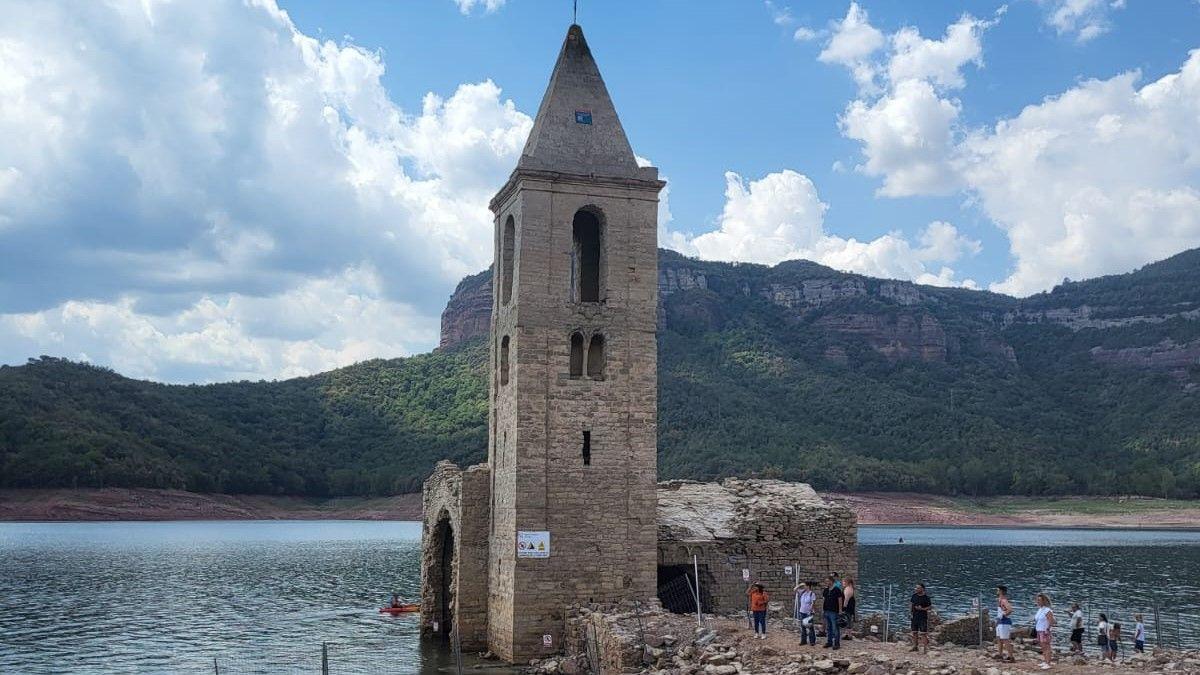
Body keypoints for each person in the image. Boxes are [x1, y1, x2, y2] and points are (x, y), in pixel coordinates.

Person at [1034, 593, 1056, 670]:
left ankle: (1048, 663)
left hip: (1044, 631)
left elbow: (1052, 621)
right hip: (1039, 630)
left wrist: (1048, 629)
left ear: (1044, 601)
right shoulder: (1040, 609)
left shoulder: (1047, 610)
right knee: (1043, 646)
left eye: (1039, 600)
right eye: (1037, 600)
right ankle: (1045, 661)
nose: (1037, 601)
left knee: (1047, 647)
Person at [822, 575, 844, 650]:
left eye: (828, 581)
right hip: (827, 610)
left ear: (831, 581)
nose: (827, 583)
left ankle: (837, 643)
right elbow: (824, 599)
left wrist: (840, 610)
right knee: (829, 628)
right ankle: (829, 642)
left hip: (834, 611)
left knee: (835, 628)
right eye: (826, 581)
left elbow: (840, 600)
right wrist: (823, 609)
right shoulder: (825, 590)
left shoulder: (837, 590)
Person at [910, 583, 932, 654]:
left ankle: (924, 649)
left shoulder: (926, 598)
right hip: (914, 616)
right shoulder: (914, 596)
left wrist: (922, 609)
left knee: (923, 633)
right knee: (914, 632)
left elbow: (930, 607)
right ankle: (915, 646)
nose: (916, 589)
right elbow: (911, 604)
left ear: (922, 589)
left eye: (918, 588)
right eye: (916, 588)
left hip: (922, 617)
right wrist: (910, 613)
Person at [794, 581, 817, 646]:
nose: (804, 587)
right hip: (802, 611)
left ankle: (812, 641)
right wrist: (800, 585)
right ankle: (803, 640)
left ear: (808, 586)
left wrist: (811, 610)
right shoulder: (802, 592)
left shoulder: (812, 594)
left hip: (808, 612)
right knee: (803, 627)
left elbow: (813, 603)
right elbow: (795, 589)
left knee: (810, 627)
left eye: (805, 585)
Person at [995, 586, 1015, 662]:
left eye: (997, 590)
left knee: (1005, 639)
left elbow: (1010, 609)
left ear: (1000, 591)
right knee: (999, 639)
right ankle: (1000, 655)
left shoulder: (1003, 600)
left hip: (1004, 622)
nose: (996, 591)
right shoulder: (1000, 600)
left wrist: (1004, 615)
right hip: (1000, 622)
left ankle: (1011, 657)